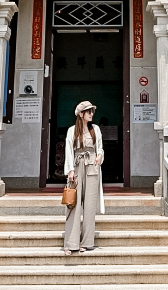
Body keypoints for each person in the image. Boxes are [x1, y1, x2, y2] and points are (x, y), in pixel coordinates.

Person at [63, 100, 104, 255]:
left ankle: (87, 242)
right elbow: (68, 151)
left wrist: (100, 156)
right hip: (77, 165)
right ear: (81, 114)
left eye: (92, 111)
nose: (91, 114)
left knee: (90, 205)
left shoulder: (96, 130)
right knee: (73, 205)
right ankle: (71, 243)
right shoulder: (72, 131)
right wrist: (71, 171)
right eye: (88, 112)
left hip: (92, 167)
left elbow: (99, 148)